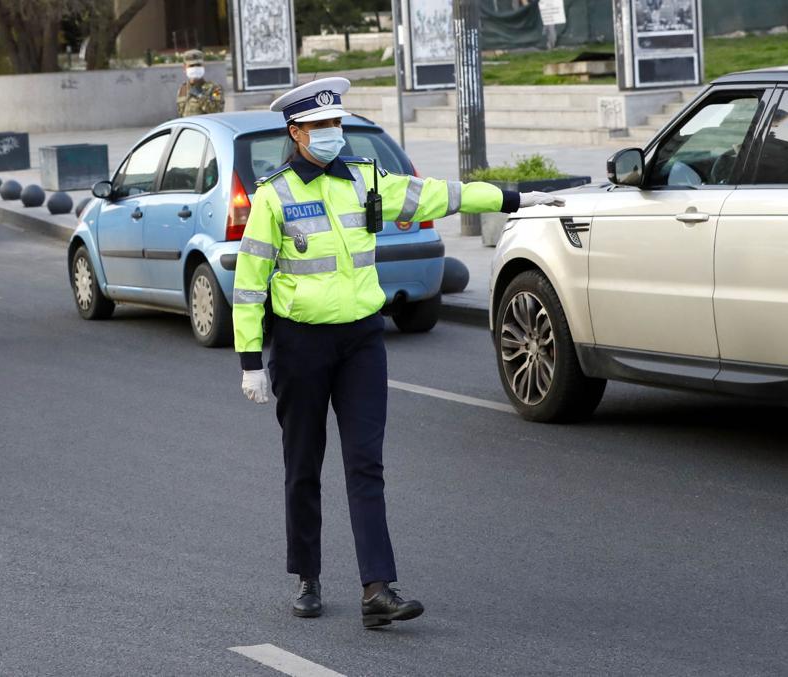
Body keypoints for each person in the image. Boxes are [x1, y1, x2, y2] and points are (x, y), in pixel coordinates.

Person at [232, 77, 564, 628]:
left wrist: (512, 197)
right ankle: (307, 576)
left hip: (363, 338)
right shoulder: (274, 195)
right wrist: (250, 361)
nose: (333, 134)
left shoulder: (366, 180)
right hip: (301, 346)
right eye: (321, 127)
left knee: (366, 463)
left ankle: (376, 590)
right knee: (303, 465)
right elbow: (249, 283)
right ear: (296, 132)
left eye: (337, 124)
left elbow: (438, 193)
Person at [176, 49, 223, 117]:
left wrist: (200, 96)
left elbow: (217, 111)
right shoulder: (183, 89)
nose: (195, 68)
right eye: (191, 66)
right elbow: (181, 113)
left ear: (203, 66)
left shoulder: (215, 89)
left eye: (198, 65)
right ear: (184, 68)